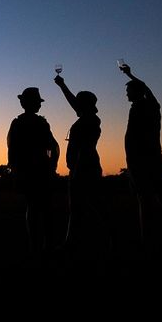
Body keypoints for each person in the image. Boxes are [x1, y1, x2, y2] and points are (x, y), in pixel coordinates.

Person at [54, 74, 111, 252]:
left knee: (85, 206)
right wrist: (62, 86)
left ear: (85, 105)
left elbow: (84, 148)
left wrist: (77, 170)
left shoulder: (90, 121)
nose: (76, 105)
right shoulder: (89, 118)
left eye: (80, 103)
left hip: (84, 169)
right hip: (83, 168)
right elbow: (74, 103)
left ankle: (95, 241)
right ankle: (80, 241)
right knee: (83, 207)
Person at [121, 64, 162, 247]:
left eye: (128, 91)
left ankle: (150, 240)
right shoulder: (141, 107)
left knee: (149, 199)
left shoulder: (150, 106)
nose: (126, 94)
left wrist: (130, 75)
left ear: (137, 92)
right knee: (156, 197)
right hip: (140, 160)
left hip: (146, 160)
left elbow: (145, 88)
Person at [7, 87, 59, 253]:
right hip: (40, 170)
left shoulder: (18, 123)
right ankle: (46, 244)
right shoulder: (41, 123)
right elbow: (53, 146)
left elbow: (12, 150)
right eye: (38, 102)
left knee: (33, 207)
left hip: (28, 171)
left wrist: (16, 169)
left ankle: (35, 244)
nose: (40, 105)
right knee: (45, 208)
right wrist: (52, 165)